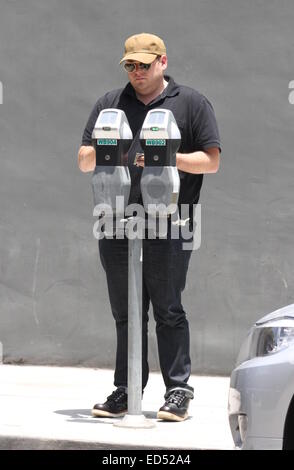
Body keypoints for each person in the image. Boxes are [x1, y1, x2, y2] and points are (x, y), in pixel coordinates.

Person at [78, 33, 221, 421]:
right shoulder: (110, 104)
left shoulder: (191, 103)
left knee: (168, 308)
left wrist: (167, 157)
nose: (137, 72)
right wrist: (113, 151)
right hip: (116, 217)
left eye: (144, 63)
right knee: (126, 310)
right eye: (131, 65)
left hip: (171, 220)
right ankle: (126, 389)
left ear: (163, 62)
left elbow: (211, 161)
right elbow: (84, 159)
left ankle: (178, 391)